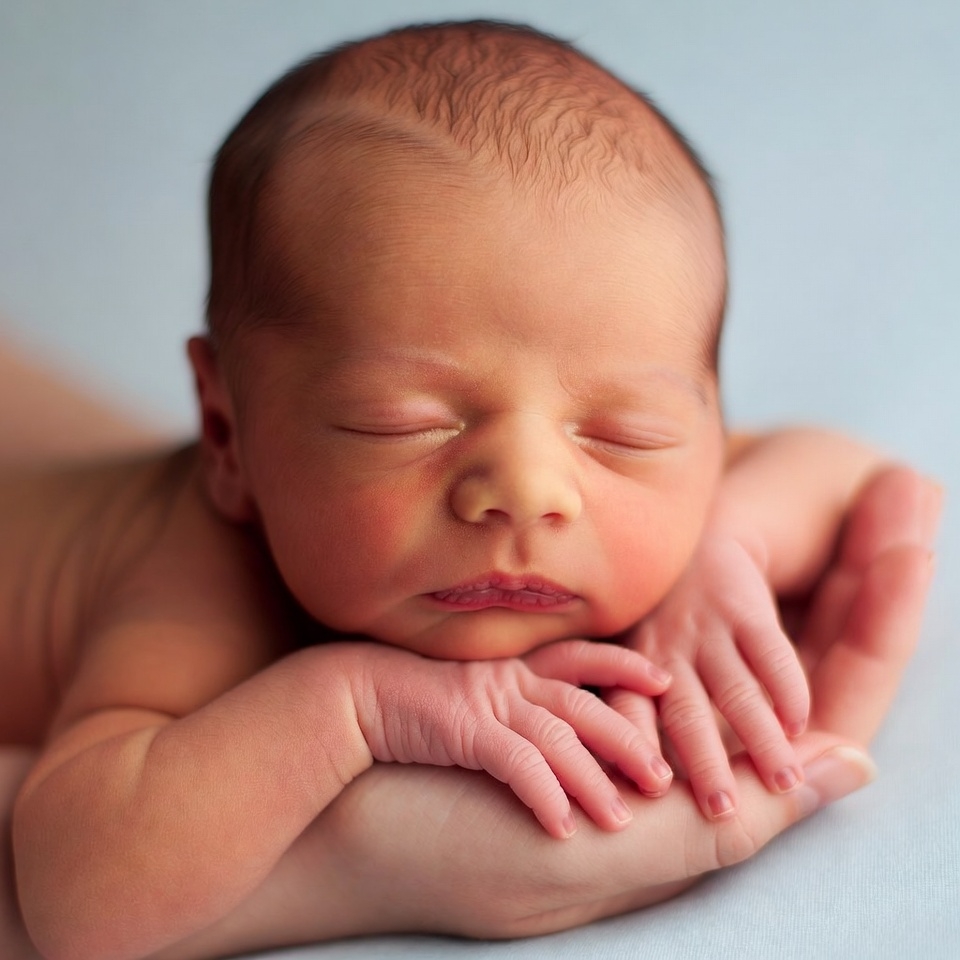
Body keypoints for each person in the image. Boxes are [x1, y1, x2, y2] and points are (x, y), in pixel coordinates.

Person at [0, 19, 940, 960]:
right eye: (404, 423)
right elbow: (74, 898)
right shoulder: (202, 585)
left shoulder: (663, 484)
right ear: (227, 435)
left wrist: (728, 549)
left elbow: (845, 471)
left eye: (625, 432)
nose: (529, 492)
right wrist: (355, 709)